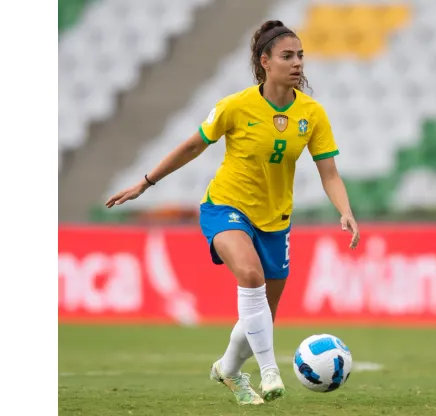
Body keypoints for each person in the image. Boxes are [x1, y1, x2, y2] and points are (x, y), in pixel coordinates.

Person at [105, 20, 361, 406]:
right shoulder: (235, 106)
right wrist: (146, 181)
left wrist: (345, 210)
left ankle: (228, 369)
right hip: (225, 206)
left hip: (275, 221)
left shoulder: (312, 114)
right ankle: (269, 370)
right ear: (265, 62)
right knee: (250, 274)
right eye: (287, 56)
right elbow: (193, 147)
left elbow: (329, 172)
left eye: (301, 56)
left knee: (261, 315)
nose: (297, 64)